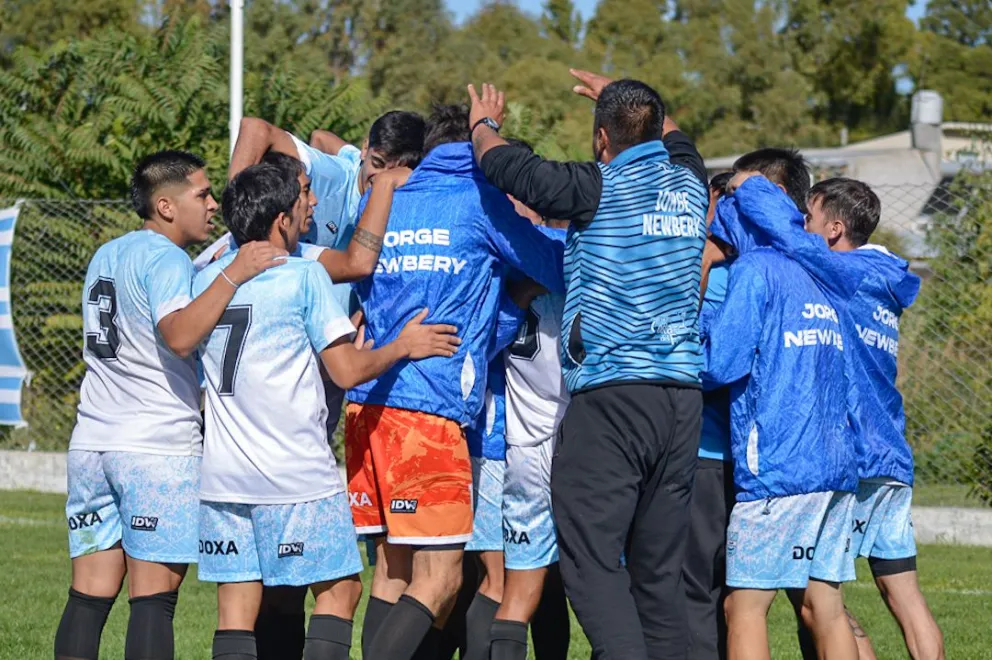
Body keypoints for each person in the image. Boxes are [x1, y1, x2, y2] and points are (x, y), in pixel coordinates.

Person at [469, 70, 708, 659]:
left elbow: (505, 168)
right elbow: (677, 138)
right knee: (656, 575)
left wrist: (482, 124)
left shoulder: (596, 186)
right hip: (682, 401)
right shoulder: (692, 184)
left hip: (614, 398)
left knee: (591, 560)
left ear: (602, 140)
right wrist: (635, 99)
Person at [195, 161, 460, 660]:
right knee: (341, 593)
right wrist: (404, 345)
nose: (310, 207)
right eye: (302, 201)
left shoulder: (211, 279)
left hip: (222, 474)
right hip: (292, 471)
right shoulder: (303, 276)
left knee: (236, 608)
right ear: (280, 220)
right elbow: (346, 371)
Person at [345, 104, 566, 660]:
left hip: (367, 407)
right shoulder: (478, 200)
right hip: (429, 410)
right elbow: (554, 266)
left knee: (394, 576)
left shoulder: (385, 198)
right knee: (442, 581)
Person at [55, 150, 286, 660]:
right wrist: (235, 274)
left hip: (93, 443)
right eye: (202, 195)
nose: (212, 205)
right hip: (154, 449)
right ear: (165, 205)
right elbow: (179, 335)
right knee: (152, 602)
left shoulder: (108, 253)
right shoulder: (165, 258)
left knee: (88, 599)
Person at [725, 174, 943, 660]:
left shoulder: (846, 277)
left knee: (817, 602)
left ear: (835, 228)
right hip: (892, 455)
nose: (803, 224)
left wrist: (753, 185)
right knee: (901, 599)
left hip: (856, 454)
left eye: (811, 215)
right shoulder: (883, 275)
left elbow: (785, 235)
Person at [703, 148, 860, 660]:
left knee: (742, 608)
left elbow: (719, 365)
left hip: (778, 469)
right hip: (835, 468)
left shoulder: (757, 270)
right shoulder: (826, 272)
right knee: (825, 608)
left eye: (732, 195)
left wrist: (685, 335)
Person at [682, 171, 736, 660]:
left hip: (709, 450)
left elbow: (706, 360)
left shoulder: (728, 270)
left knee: (698, 588)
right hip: (718, 453)